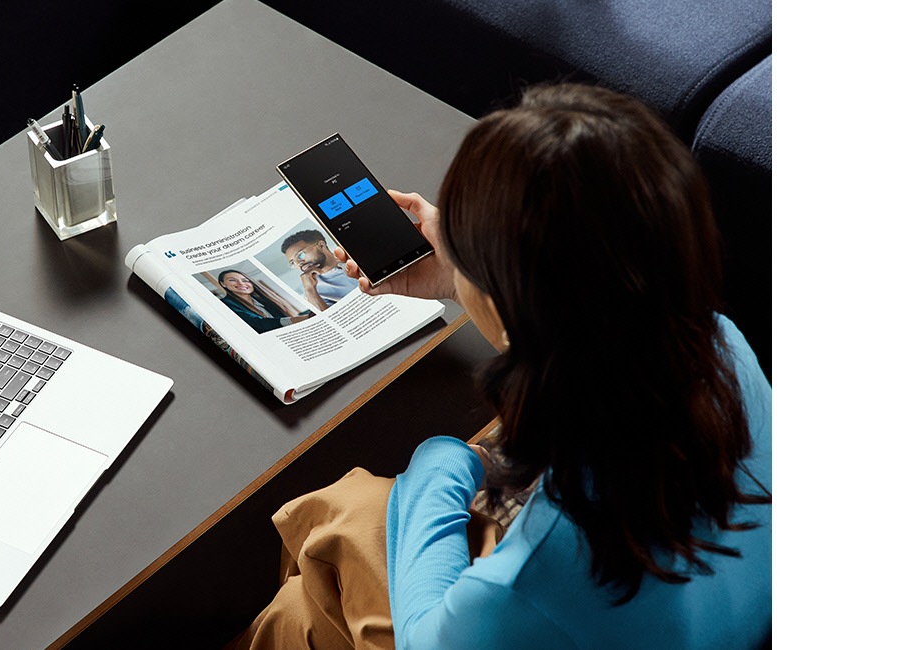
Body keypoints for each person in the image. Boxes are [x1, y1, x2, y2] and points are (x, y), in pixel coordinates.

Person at [233, 84, 771, 648]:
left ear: (513, 297)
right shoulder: (720, 346)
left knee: (326, 556)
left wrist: (440, 461)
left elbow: (427, 639)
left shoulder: (531, 577)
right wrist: (472, 274)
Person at [279, 229, 359, 311]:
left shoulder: (354, 255)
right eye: (293, 262)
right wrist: (309, 289)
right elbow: (331, 320)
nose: (299, 263)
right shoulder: (313, 294)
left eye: (300, 255)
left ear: (321, 245)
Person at [216, 269, 313, 333]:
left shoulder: (263, 300)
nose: (241, 283)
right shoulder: (225, 303)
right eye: (232, 280)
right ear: (223, 284)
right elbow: (257, 322)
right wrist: (301, 319)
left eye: (245, 280)